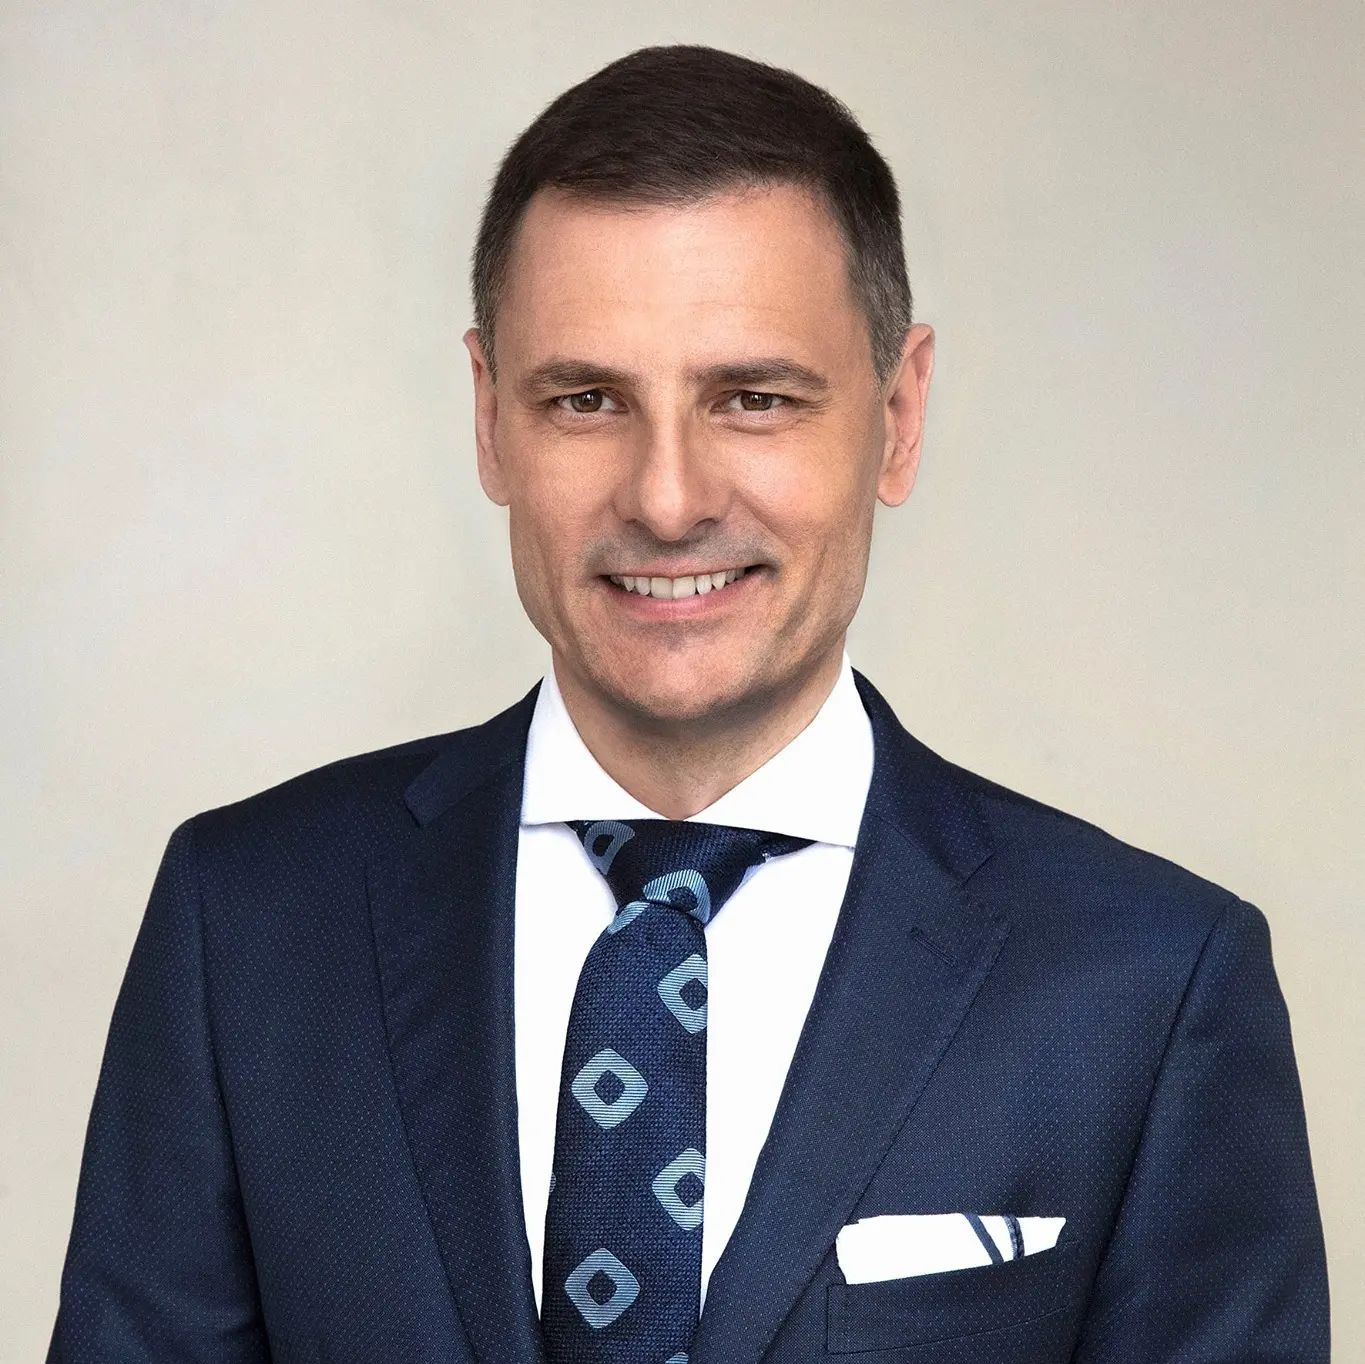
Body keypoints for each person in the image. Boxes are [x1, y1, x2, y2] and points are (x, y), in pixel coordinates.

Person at [48, 44, 1328, 1364]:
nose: (668, 500)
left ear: (898, 415)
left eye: (754, 399)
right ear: (490, 418)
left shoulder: (1149, 984)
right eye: (586, 400)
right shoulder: (247, 925)